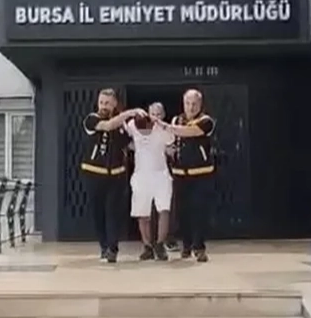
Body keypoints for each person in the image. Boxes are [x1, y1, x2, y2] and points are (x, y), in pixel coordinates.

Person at [82, 88, 146, 263]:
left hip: (116, 176)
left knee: (113, 213)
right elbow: (108, 126)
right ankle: (104, 246)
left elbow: (130, 144)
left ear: (114, 104)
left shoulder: (122, 125)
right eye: (101, 102)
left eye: (107, 103)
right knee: (98, 213)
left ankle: (112, 248)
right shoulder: (91, 119)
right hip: (94, 173)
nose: (103, 106)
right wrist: (130, 113)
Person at [152, 89, 215, 263]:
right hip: (180, 174)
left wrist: (164, 125)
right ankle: (186, 245)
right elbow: (171, 139)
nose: (191, 107)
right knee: (183, 212)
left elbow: (189, 132)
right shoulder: (176, 120)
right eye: (187, 103)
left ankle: (199, 247)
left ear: (200, 104)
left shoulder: (206, 121)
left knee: (199, 211)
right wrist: (169, 149)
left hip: (201, 173)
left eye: (194, 104)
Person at [126, 102, 175, 261]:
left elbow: (171, 140)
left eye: (159, 114)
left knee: (164, 210)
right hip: (141, 175)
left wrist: (161, 125)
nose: (155, 117)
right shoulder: (134, 125)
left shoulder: (164, 130)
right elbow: (125, 133)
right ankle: (147, 246)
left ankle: (160, 245)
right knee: (142, 213)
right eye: (153, 113)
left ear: (163, 115)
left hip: (161, 174)